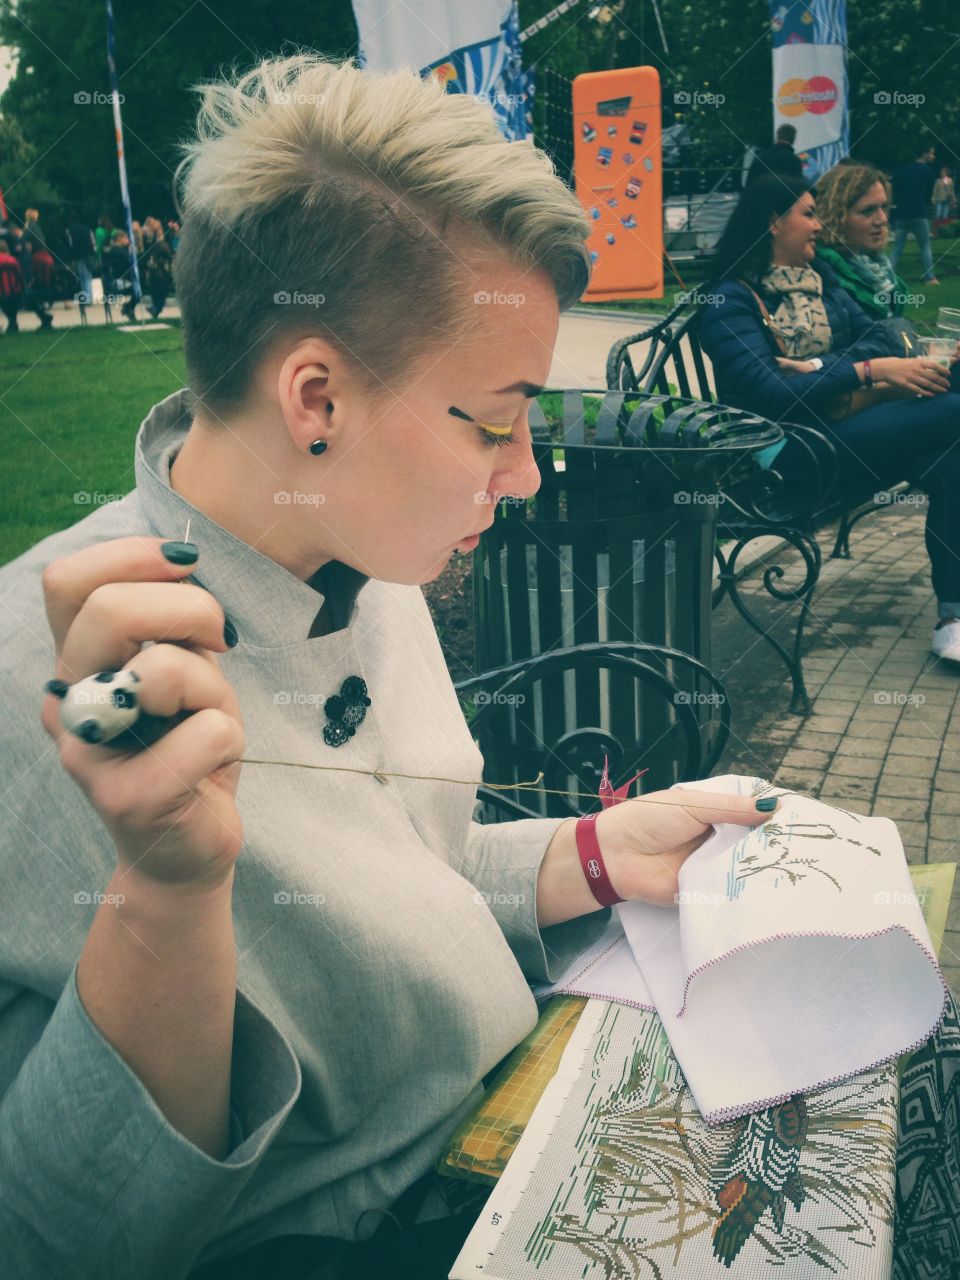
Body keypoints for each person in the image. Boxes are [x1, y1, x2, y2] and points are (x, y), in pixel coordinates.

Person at [0, 53, 779, 1280]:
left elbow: (394, 880)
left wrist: (594, 852)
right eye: (497, 414)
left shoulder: (362, 543)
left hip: (527, 1146)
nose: (522, 473)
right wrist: (162, 898)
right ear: (315, 398)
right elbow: (50, 1238)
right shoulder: (44, 681)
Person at [698, 175, 960, 662]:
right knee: (953, 407)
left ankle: (954, 618)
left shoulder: (820, 281)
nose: (820, 226)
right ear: (773, 222)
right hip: (786, 457)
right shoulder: (728, 301)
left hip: (838, 431)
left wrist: (823, 368)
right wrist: (867, 372)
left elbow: (883, 334)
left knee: (950, 457)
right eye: (809, 214)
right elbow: (771, 394)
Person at [813, 162, 909, 319]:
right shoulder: (824, 278)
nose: (882, 219)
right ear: (836, 216)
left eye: (884, 207)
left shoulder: (881, 271)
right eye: (868, 211)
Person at [889, 144, 939, 284]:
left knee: (897, 248)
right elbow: (928, 194)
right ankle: (930, 278)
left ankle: (888, 277)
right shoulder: (929, 172)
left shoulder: (901, 170)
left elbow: (893, 188)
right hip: (918, 213)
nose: (933, 156)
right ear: (925, 154)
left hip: (901, 213)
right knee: (925, 246)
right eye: (931, 153)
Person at [0, 235, 24, 332]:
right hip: (15, 290)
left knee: (4, 303)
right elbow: (19, 275)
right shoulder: (12, 260)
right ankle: (13, 321)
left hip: (1, 292)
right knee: (14, 303)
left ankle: (12, 321)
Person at [932, 165, 956, 235]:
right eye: (941, 172)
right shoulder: (938, 181)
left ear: (946, 172)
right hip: (939, 199)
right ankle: (935, 231)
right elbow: (935, 190)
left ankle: (943, 231)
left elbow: (952, 191)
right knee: (938, 214)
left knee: (945, 215)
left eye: (943, 172)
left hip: (947, 200)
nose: (942, 173)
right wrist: (933, 198)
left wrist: (953, 199)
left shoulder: (950, 180)